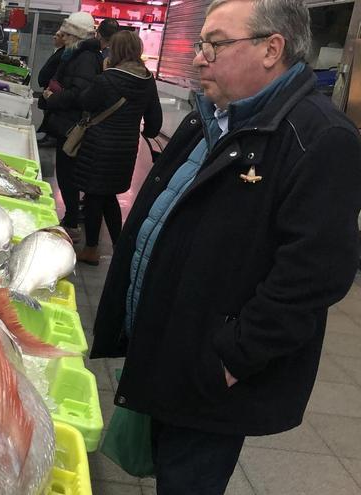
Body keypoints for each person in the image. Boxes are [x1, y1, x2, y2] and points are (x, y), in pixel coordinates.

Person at [90, 0, 361, 493]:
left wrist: (234, 359)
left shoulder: (320, 139)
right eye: (199, 44)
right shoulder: (209, 120)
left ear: (271, 49)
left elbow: (315, 274)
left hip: (213, 371)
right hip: (171, 347)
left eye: (215, 44)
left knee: (187, 480)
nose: (199, 57)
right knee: (163, 463)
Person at [72, 31, 162, 265]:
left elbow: (86, 102)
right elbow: (155, 122)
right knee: (108, 194)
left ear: (116, 50)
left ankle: (91, 249)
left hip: (99, 146)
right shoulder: (147, 80)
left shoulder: (107, 78)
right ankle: (119, 246)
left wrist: (102, 73)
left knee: (94, 196)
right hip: (125, 148)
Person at [40, 11, 100, 241]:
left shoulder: (84, 58)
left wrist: (53, 97)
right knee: (65, 174)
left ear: (75, 34)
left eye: (67, 31)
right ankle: (71, 220)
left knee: (68, 175)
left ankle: (72, 223)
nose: (62, 35)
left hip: (71, 125)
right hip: (65, 122)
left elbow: (79, 94)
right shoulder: (76, 54)